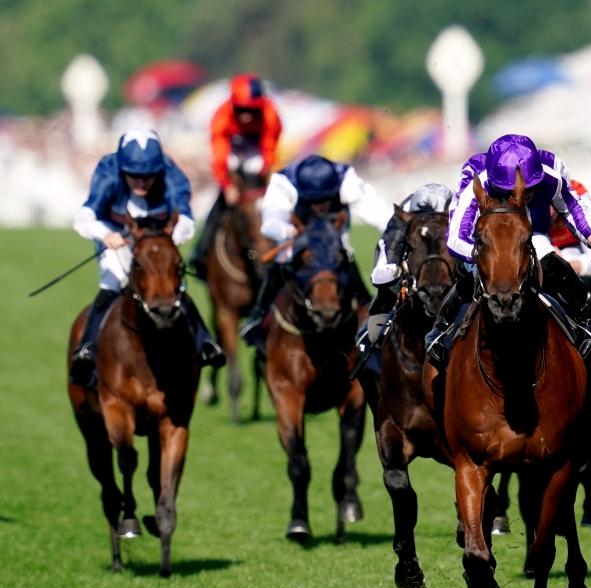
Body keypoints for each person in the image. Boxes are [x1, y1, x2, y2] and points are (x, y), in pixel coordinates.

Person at [425, 133, 591, 369]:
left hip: (530, 235)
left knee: (548, 257)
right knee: (472, 271)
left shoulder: (550, 169)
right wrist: (487, 253)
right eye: (511, 190)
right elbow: (456, 237)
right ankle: (440, 329)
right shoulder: (476, 174)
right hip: (485, 241)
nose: (524, 195)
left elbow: (571, 206)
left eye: (531, 189)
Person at [69, 129, 225, 385]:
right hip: (117, 236)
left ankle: (205, 342)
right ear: (122, 169)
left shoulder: (172, 175)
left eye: (148, 176)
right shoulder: (108, 172)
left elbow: (186, 220)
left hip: (157, 239)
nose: (141, 182)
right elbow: (84, 217)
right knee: (114, 281)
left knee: (174, 286)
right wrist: (105, 235)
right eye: (134, 176)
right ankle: (87, 347)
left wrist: (167, 241)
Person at [239, 154, 391, 349]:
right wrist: (289, 231)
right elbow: (270, 224)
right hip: (299, 243)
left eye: (326, 200)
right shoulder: (284, 183)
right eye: (315, 202)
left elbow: (380, 215)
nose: (321, 207)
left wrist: (396, 229)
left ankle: (369, 317)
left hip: (334, 243)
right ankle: (258, 316)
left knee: (348, 263)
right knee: (282, 260)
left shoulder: (346, 179)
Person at [189, 73, 282, 278]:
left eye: (252, 111)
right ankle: (201, 251)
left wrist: (266, 176)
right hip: (232, 152)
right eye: (241, 110)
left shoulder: (270, 115)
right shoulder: (221, 117)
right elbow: (220, 155)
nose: (247, 116)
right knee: (222, 201)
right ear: (233, 106)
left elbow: (269, 149)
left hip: (256, 151)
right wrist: (227, 185)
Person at [360, 183, 456, 348]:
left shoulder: (460, 212)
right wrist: (396, 270)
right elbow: (381, 273)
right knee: (387, 292)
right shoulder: (399, 222)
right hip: (405, 277)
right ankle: (369, 342)